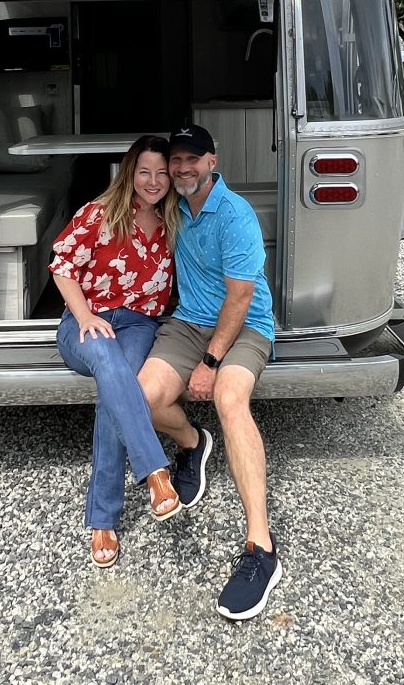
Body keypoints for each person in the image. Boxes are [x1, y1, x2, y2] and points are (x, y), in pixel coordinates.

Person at [138, 124, 282, 620]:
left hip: (245, 327)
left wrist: (211, 363)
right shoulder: (173, 207)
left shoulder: (236, 215)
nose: (183, 168)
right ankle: (193, 443)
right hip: (189, 323)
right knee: (142, 398)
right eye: (176, 160)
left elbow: (240, 298)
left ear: (212, 162)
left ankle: (261, 548)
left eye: (193, 159)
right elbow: (127, 204)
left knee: (228, 399)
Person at [49, 135, 183, 568]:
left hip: (140, 324)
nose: (153, 181)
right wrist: (85, 315)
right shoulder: (100, 213)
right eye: (144, 171)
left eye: (161, 173)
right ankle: (155, 472)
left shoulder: (173, 219)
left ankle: (103, 520)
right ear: (130, 172)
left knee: (117, 388)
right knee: (109, 361)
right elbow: (62, 266)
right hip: (86, 320)